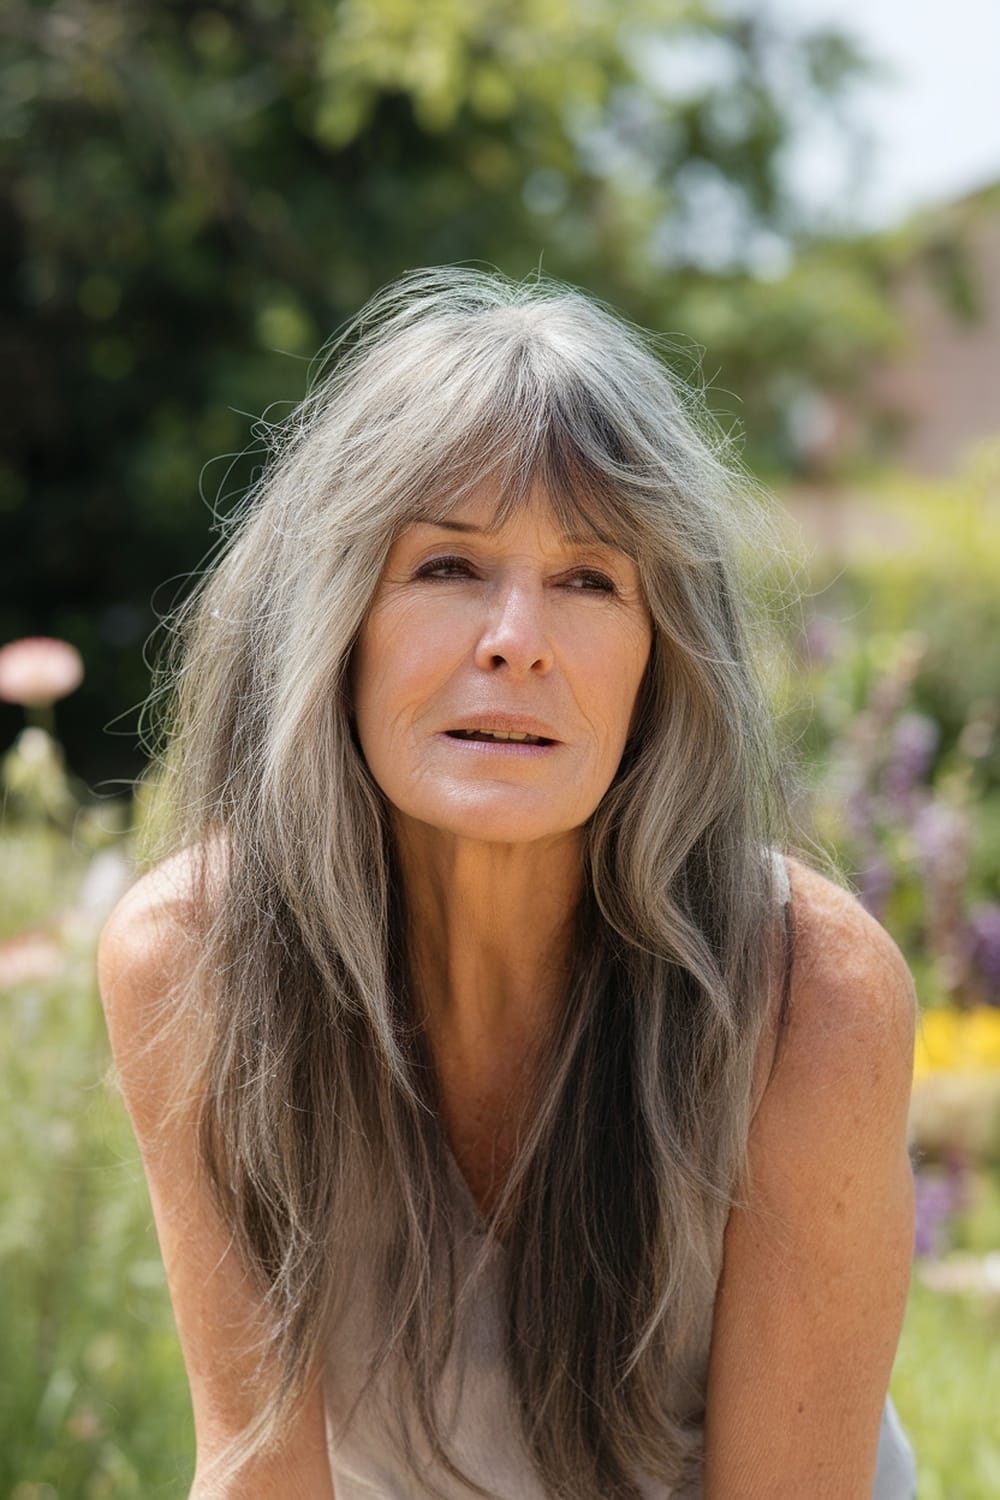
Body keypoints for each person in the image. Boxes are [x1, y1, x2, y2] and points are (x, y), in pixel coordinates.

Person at [98, 267, 917, 1499]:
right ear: (334, 623)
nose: (516, 637)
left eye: (590, 580)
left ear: (661, 662)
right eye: (446, 568)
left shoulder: (812, 993)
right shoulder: (192, 957)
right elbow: (256, 1470)